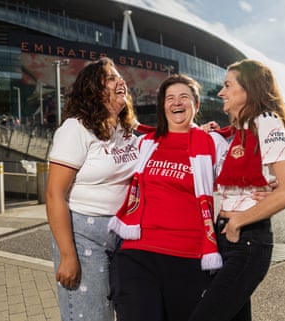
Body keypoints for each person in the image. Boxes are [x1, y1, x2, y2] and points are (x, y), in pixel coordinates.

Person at [187, 59, 285, 321]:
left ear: (249, 90)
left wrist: (238, 219)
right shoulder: (235, 132)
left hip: (247, 239)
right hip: (226, 236)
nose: (221, 92)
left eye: (228, 85)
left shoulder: (265, 121)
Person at [108, 74, 229, 321]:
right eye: (170, 98)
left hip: (189, 258)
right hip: (137, 254)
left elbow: (238, 180)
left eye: (184, 97)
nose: (176, 102)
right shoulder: (145, 144)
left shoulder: (211, 142)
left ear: (196, 104)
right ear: (163, 105)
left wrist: (264, 187)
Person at [45, 57, 140, 321]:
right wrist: (67, 256)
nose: (120, 81)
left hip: (124, 232)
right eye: (111, 78)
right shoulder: (76, 128)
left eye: (119, 77)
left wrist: (198, 132)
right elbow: (54, 195)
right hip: (85, 235)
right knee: (92, 316)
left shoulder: (127, 129)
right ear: (94, 90)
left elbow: (162, 145)